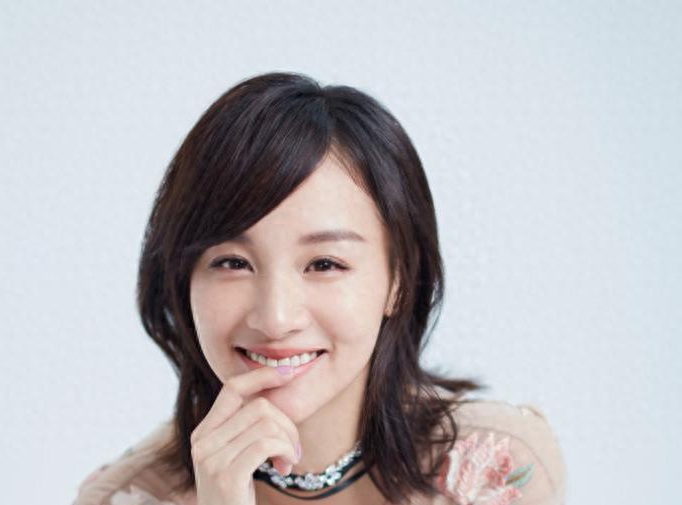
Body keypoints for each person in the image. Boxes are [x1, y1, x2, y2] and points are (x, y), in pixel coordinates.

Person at [73, 72, 566, 505]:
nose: (276, 318)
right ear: (182, 280)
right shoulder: (126, 497)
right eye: (232, 262)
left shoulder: (495, 471)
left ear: (398, 279)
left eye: (324, 263)